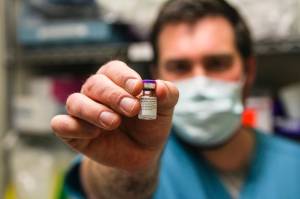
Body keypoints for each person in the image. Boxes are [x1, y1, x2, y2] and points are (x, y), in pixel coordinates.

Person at [51, 0, 300, 198]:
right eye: (180, 67)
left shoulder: (293, 165)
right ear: (157, 75)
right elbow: (105, 188)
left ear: (248, 71)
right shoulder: (137, 148)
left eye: (217, 63)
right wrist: (130, 170)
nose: (200, 83)